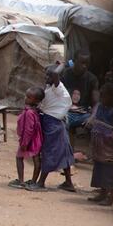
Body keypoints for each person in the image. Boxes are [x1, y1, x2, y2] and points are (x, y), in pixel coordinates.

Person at [35, 62, 78, 192]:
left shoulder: (58, 88)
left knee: (50, 152)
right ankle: (68, 183)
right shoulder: (50, 87)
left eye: (49, 76)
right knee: (64, 152)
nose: (46, 78)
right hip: (54, 122)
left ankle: (41, 182)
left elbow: (54, 73)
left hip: (53, 124)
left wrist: (63, 63)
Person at [87, 83, 113, 206]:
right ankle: (102, 193)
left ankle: (111, 197)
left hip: (109, 145)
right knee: (100, 168)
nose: (102, 98)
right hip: (99, 145)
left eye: (105, 96)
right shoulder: (100, 107)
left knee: (110, 169)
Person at [10, 87, 44, 189]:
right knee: (36, 159)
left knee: (19, 157)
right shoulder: (33, 111)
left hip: (29, 140)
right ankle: (33, 181)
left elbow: (29, 129)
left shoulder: (29, 113)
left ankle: (21, 181)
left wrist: (24, 143)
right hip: (35, 139)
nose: (26, 98)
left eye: (29, 97)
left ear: (36, 101)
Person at [61, 51, 98, 129]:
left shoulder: (92, 79)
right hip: (66, 112)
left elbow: (96, 103)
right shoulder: (65, 74)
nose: (85, 66)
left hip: (83, 114)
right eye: (82, 63)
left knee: (98, 126)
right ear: (74, 61)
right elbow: (58, 96)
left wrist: (92, 117)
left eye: (87, 63)